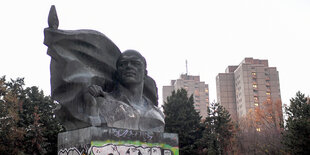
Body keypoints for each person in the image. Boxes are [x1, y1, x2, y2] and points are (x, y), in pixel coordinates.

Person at [87, 50, 165, 132]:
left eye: (136, 63)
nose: (129, 66)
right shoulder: (102, 102)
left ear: (145, 73)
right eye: (123, 64)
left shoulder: (157, 114)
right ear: (117, 74)